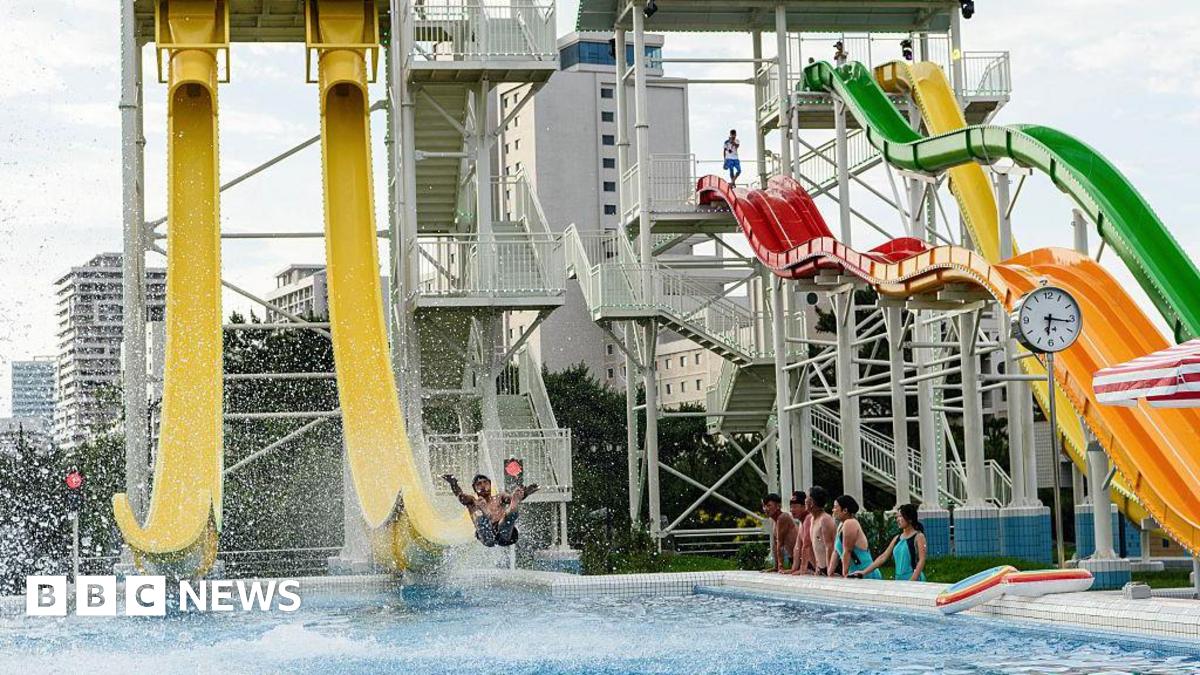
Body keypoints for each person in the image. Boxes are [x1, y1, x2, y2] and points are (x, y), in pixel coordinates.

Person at [442, 473, 538, 547]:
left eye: (485, 482)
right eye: (479, 484)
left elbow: (511, 498)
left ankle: (512, 508)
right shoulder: (473, 501)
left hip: (504, 531)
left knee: (509, 516)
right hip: (486, 534)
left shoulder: (500, 497)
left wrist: (525, 493)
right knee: (480, 518)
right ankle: (486, 515)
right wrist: (453, 484)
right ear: (474, 488)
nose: (483, 485)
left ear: (490, 484)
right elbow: (461, 496)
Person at [852, 503, 928, 581]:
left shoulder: (918, 536)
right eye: (897, 517)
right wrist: (864, 572)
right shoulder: (897, 538)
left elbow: (922, 560)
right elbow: (883, 557)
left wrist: (912, 580)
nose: (898, 519)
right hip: (899, 579)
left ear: (910, 519)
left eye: (901, 516)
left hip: (914, 579)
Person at [828, 494, 881, 579]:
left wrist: (844, 575)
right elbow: (836, 551)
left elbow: (847, 551)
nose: (833, 510)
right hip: (854, 574)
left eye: (835, 507)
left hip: (865, 574)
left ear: (845, 510)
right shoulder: (841, 525)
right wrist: (830, 573)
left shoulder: (850, 523)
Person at [761, 493, 796, 572]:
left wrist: (781, 566)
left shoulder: (783, 517)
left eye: (769, 505)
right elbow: (775, 545)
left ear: (778, 506)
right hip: (793, 559)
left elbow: (780, 544)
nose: (766, 508)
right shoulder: (774, 521)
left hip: (801, 559)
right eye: (764, 506)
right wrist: (776, 566)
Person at [805, 486, 836, 576]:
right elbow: (813, 546)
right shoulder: (812, 519)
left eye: (806, 498)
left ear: (812, 502)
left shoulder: (825, 519)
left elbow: (830, 546)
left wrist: (830, 572)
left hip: (831, 568)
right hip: (821, 568)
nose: (804, 500)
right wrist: (817, 566)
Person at [785, 491, 815, 575]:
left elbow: (807, 545)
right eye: (791, 507)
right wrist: (794, 568)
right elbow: (797, 547)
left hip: (821, 566)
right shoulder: (802, 522)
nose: (791, 510)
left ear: (804, 507)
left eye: (794, 507)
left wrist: (803, 569)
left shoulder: (809, 518)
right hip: (814, 565)